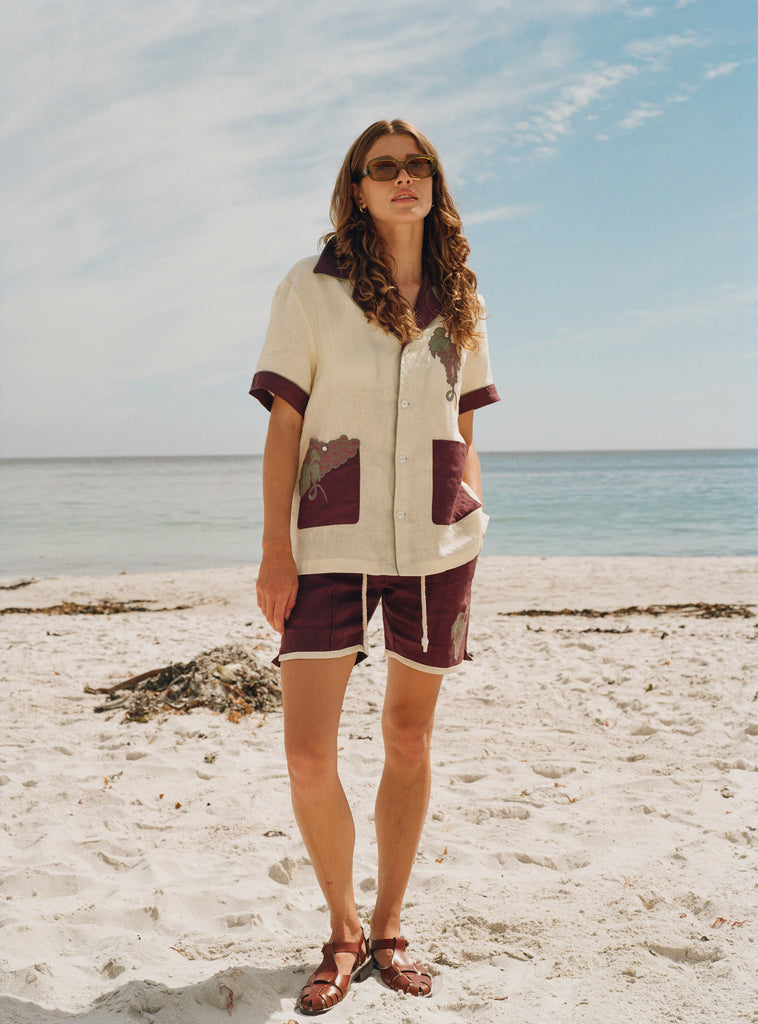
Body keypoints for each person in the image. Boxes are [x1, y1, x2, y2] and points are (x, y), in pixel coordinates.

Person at [249, 118, 499, 1016]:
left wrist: (469, 507)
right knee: (307, 754)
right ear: (356, 187)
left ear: (434, 182)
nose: (403, 177)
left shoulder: (462, 298)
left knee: (407, 736)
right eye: (382, 167)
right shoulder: (310, 288)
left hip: (436, 544)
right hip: (327, 541)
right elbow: (285, 425)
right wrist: (276, 549)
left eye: (416, 164)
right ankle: (343, 928)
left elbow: (465, 422)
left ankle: (388, 928)